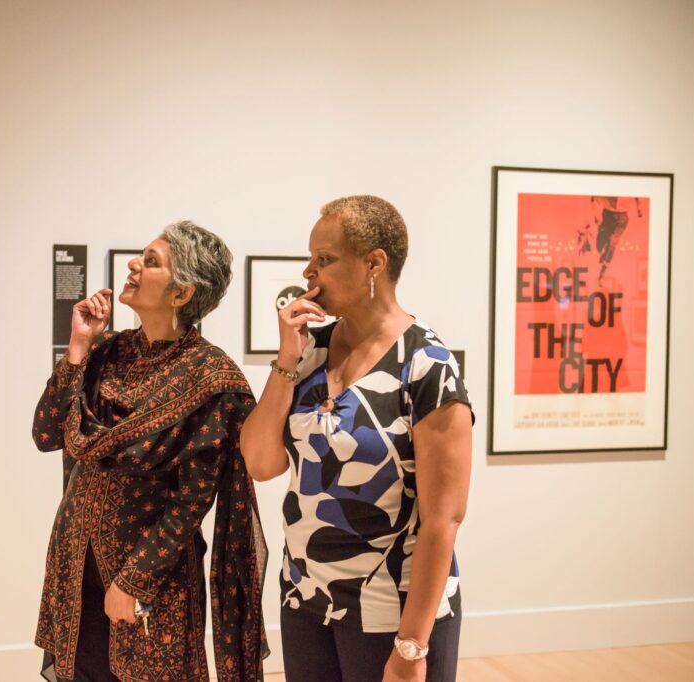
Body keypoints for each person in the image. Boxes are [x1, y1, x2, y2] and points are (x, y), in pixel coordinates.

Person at [240, 196, 473, 682]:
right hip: (305, 600)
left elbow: (442, 520)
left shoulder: (428, 365)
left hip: (392, 611)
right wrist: (286, 358)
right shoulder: (309, 352)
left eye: (324, 260)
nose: (309, 273)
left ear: (375, 263)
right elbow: (261, 463)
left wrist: (411, 647)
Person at [31, 221, 267, 682]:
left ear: (181, 294)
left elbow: (190, 502)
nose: (135, 265)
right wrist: (78, 344)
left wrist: (132, 580)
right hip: (75, 562)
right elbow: (45, 434)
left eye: (152, 261)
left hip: (151, 579)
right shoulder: (105, 351)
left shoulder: (213, 379)